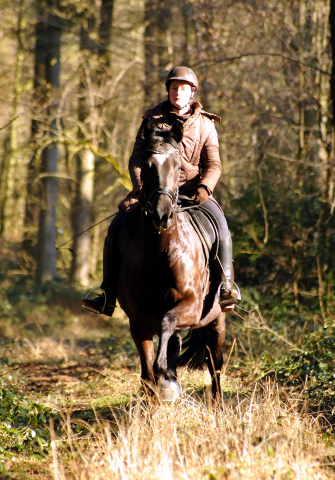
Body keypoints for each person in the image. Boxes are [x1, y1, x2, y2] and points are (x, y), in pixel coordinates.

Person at [82, 66, 241, 316]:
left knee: (221, 225)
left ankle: (227, 286)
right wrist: (140, 187)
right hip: (153, 191)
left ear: (192, 94)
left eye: (183, 89)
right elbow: (136, 158)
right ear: (168, 91)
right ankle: (108, 293)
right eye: (174, 88)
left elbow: (214, 165)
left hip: (191, 193)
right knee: (117, 226)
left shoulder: (206, 126)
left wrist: (204, 187)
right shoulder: (151, 120)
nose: (178, 93)